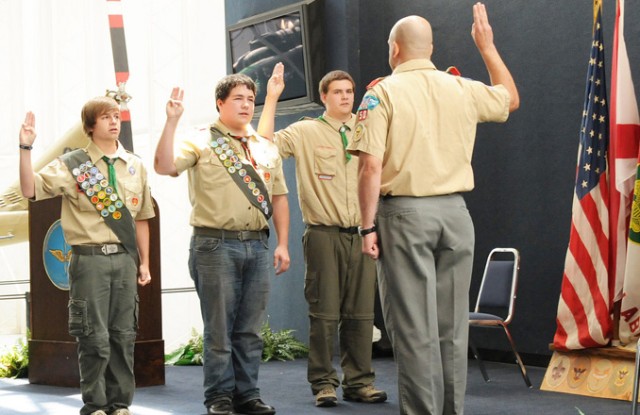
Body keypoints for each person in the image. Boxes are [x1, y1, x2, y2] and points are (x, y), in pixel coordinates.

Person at [347, 3, 520, 415]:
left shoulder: (381, 92)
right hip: (456, 216)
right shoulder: (460, 87)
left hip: (405, 215)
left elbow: (370, 165)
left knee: (413, 331)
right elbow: (510, 100)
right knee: (451, 330)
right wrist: (488, 48)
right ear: (431, 48)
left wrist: (366, 228)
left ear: (394, 50)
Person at [154, 71, 290, 415]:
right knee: (219, 330)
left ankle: (248, 394)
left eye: (250, 99)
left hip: (257, 245)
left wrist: (283, 243)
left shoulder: (264, 146)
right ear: (220, 103)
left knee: (250, 330)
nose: (246, 105)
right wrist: (171, 122)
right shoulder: (200, 140)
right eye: (238, 99)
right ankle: (219, 397)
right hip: (214, 245)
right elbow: (164, 165)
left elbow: (279, 197)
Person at [258, 65, 387, 408]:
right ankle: (323, 383)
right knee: (324, 314)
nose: (346, 97)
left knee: (361, 314)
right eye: (338, 92)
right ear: (324, 97)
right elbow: (264, 144)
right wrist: (271, 97)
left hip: (363, 233)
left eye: (349, 91)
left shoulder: (368, 129)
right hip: (323, 234)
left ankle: (359, 381)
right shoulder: (305, 131)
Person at [19, 96, 155, 415]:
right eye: (105, 117)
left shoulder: (135, 165)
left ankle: (121, 403)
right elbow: (29, 189)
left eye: (116, 115)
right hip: (88, 259)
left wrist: (145, 262)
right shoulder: (74, 165)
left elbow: (142, 217)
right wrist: (25, 149)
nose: (113, 121)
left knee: (123, 334)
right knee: (93, 335)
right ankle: (95, 403)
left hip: (124, 259)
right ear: (90, 126)